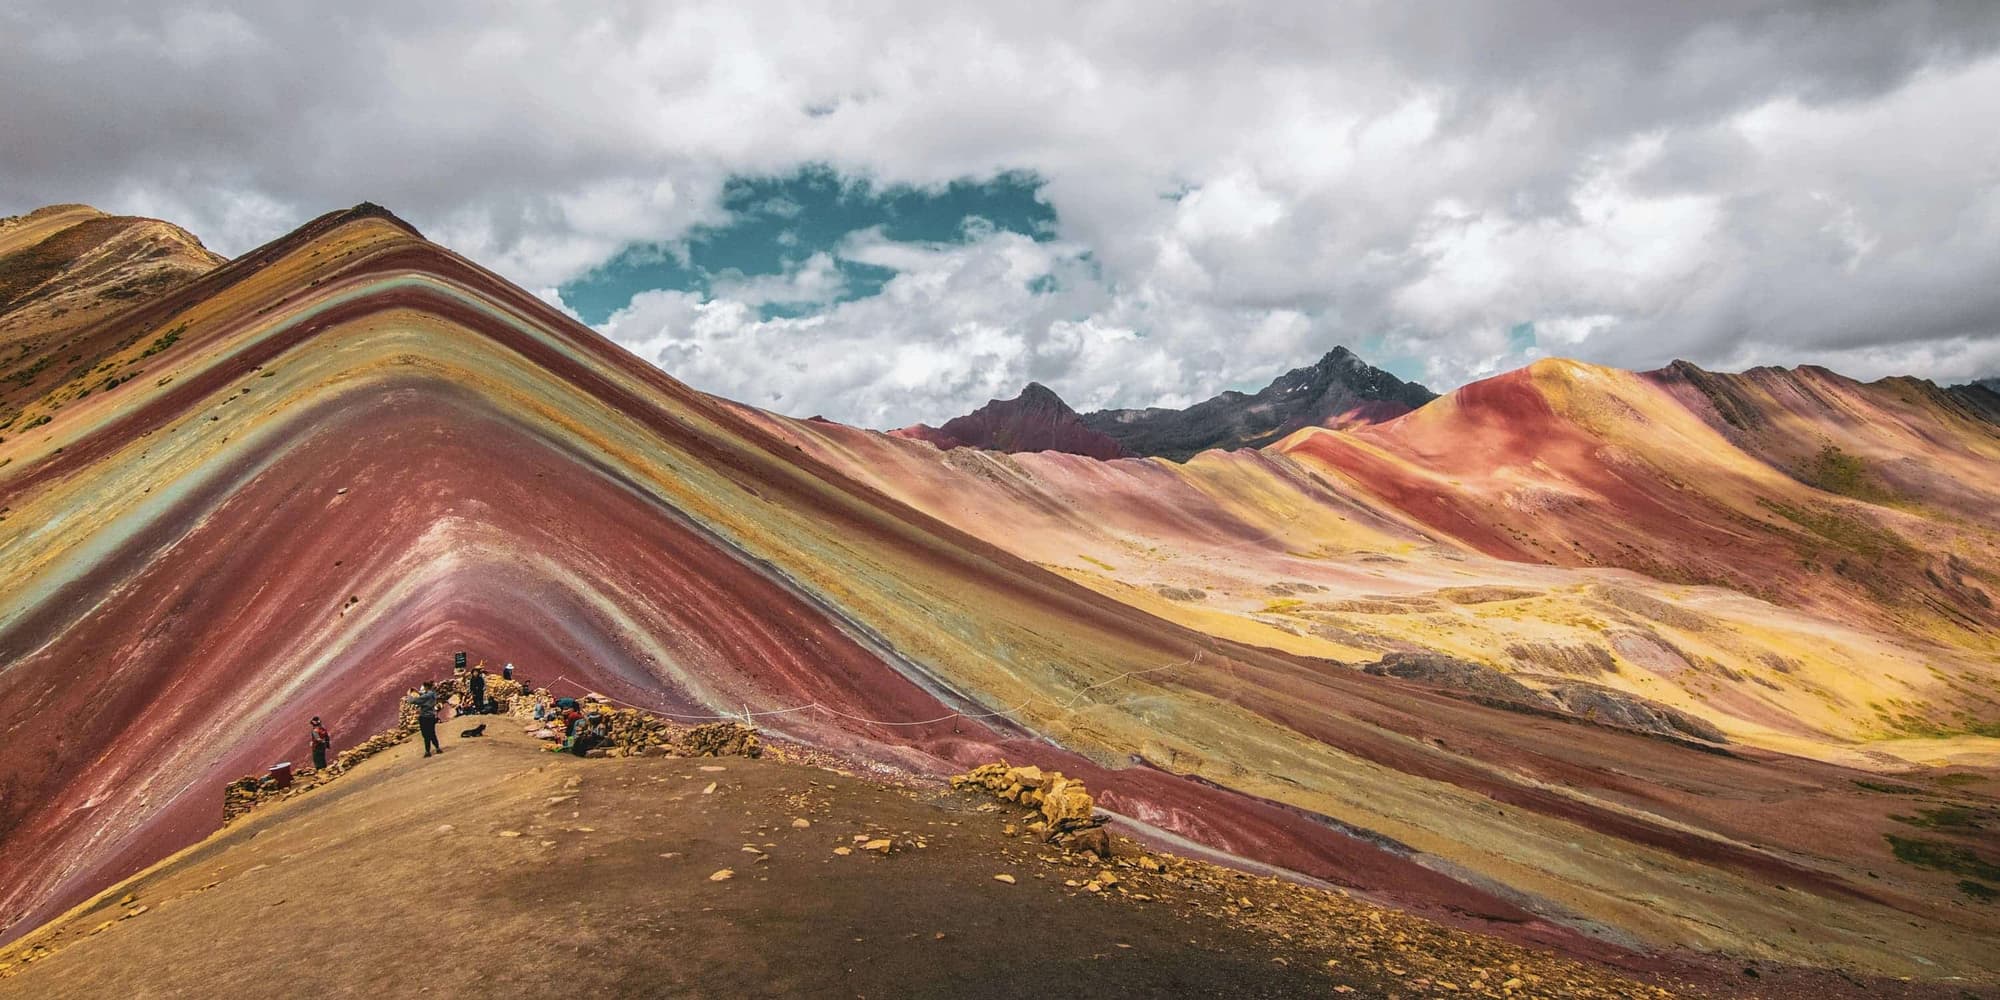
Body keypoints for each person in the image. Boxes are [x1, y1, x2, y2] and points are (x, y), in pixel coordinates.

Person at [407, 681, 443, 757]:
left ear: (426, 687)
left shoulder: (427, 696)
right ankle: (437, 748)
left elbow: (413, 701)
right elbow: (424, 695)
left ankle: (427, 751)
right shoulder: (433, 694)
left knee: (426, 735)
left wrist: (409, 695)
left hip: (424, 717)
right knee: (432, 733)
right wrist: (417, 692)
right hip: (432, 716)